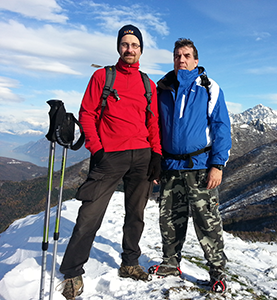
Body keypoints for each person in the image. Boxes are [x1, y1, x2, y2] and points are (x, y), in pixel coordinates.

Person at [59, 24, 162, 299]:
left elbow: (153, 122)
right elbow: (87, 113)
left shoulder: (147, 84)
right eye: (125, 44)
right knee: (90, 215)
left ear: (141, 50)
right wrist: (98, 149)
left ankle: (130, 263)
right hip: (109, 156)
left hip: (142, 156)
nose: (130, 49)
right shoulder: (102, 77)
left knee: (136, 215)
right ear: (119, 47)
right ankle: (72, 272)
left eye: (135, 45)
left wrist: (157, 154)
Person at [149, 38, 231, 293]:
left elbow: (221, 127)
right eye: (176, 56)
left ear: (196, 61)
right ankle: (171, 263)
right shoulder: (162, 89)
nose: (181, 60)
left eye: (186, 56)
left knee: (208, 222)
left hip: (200, 167)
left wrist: (217, 164)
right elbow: (154, 128)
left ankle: (217, 272)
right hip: (170, 167)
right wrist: (155, 164)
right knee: (170, 220)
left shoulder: (209, 87)